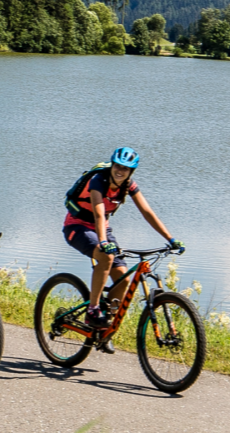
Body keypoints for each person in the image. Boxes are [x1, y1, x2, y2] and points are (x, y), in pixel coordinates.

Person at [61, 146, 181, 352]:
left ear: (131, 172)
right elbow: (99, 215)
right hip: (77, 226)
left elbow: (147, 212)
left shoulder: (129, 185)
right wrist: (102, 242)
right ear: (112, 165)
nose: (120, 170)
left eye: (126, 168)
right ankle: (93, 309)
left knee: (124, 279)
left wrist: (170, 239)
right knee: (106, 257)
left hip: (102, 231)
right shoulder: (98, 180)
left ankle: (105, 329)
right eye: (117, 166)